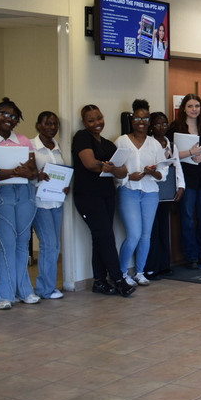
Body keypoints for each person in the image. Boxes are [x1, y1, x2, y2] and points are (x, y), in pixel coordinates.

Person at [0, 97, 39, 310]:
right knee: (6, 244)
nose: (8, 118)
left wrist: (23, 172)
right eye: (4, 114)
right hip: (0, 195)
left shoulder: (24, 140)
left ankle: (24, 291)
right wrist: (14, 171)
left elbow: (33, 172)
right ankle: (2, 295)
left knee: (23, 244)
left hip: (24, 193)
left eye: (13, 116)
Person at [72, 104, 133, 297]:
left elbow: (123, 170)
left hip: (107, 194)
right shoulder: (82, 137)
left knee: (100, 237)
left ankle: (99, 281)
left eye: (99, 118)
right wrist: (109, 167)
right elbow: (90, 163)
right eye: (91, 120)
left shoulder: (108, 144)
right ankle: (118, 279)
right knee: (106, 236)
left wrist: (111, 168)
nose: (97, 123)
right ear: (84, 123)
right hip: (88, 196)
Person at [115, 99, 166, 286]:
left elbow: (163, 174)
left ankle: (139, 272)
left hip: (150, 192)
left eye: (145, 118)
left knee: (146, 235)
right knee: (134, 235)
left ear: (149, 122)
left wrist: (153, 172)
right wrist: (129, 176)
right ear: (132, 119)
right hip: (129, 191)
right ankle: (121, 273)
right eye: (137, 118)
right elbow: (114, 169)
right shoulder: (122, 141)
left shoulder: (154, 144)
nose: (141, 122)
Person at [170, 93, 201, 269]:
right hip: (185, 177)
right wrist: (190, 153)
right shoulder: (175, 127)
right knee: (188, 218)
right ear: (184, 108)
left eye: (197, 106)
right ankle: (190, 256)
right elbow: (169, 154)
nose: (194, 109)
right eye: (190, 106)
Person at [31, 111, 67, 300]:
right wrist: (38, 176)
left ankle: (49, 286)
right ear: (39, 125)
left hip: (57, 201)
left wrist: (65, 186)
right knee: (48, 244)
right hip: (40, 202)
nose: (52, 127)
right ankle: (45, 289)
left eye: (55, 124)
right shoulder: (31, 147)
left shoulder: (59, 147)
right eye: (48, 123)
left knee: (55, 245)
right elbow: (28, 174)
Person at [145, 111, 184, 279]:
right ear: (151, 127)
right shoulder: (148, 144)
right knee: (151, 230)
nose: (161, 127)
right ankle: (151, 267)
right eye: (157, 124)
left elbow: (177, 166)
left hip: (167, 191)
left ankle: (164, 264)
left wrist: (181, 186)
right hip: (151, 189)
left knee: (164, 229)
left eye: (164, 123)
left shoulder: (171, 145)